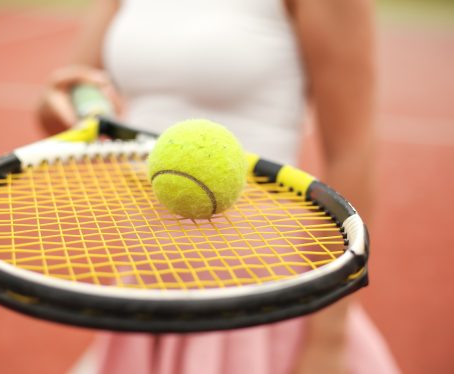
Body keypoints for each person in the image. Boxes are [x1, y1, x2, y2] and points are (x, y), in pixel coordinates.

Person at [39, 1, 400, 373]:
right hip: (144, 281)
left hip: (255, 294)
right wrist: (63, 101)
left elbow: (351, 153)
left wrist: (329, 339)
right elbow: (69, 95)